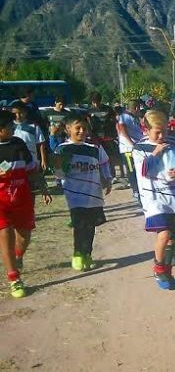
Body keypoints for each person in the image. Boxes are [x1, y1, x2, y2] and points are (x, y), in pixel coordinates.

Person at [132, 110, 175, 290]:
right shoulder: (139, 148)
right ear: (146, 130)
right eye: (157, 132)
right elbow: (143, 171)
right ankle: (158, 269)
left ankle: (168, 272)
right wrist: (155, 153)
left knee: (172, 239)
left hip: (173, 197)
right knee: (163, 234)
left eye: (164, 131)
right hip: (153, 198)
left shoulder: (173, 145)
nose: (162, 135)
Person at [0, 110, 51, 298]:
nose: (13, 127)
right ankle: (14, 279)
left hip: (22, 199)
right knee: (5, 235)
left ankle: (18, 256)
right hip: (1, 204)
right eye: (9, 126)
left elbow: (32, 169)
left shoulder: (18, 144)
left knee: (24, 236)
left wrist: (43, 188)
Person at [52, 113, 112, 271]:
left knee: (91, 226)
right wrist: (57, 167)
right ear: (68, 129)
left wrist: (107, 178)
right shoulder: (63, 149)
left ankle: (88, 254)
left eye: (84, 128)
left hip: (94, 195)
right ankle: (78, 254)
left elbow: (105, 163)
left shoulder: (94, 149)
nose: (81, 131)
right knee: (80, 225)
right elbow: (58, 173)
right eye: (77, 128)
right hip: (75, 197)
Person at [87, 93, 121, 179]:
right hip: (96, 137)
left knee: (110, 156)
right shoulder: (89, 111)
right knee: (97, 157)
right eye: (93, 102)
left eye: (97, 102)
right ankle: (100, 175)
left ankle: (112, 175)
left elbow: (114, 120)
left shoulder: (108, 109)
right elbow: (87, 124)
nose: (95, 104)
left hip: (108, 136)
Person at [117, 100, 144, 202]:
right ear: (136, 108)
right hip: (128, 149)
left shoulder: (133, 117)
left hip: (136, 148)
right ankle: (136, 191)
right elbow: (121, 128)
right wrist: (131, 143)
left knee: (138, 169)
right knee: (131, 170)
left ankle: (139, 190)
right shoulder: (124, 116)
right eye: (138, 109)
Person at [10, 101, 48, 171]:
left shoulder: (33, 126)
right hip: (14, 161)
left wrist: (43, 160)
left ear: (25, 112)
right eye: (15, 113)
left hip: (31, 160)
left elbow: (41, 143)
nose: (18, 115)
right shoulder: (8, 127)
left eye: (20, 113)